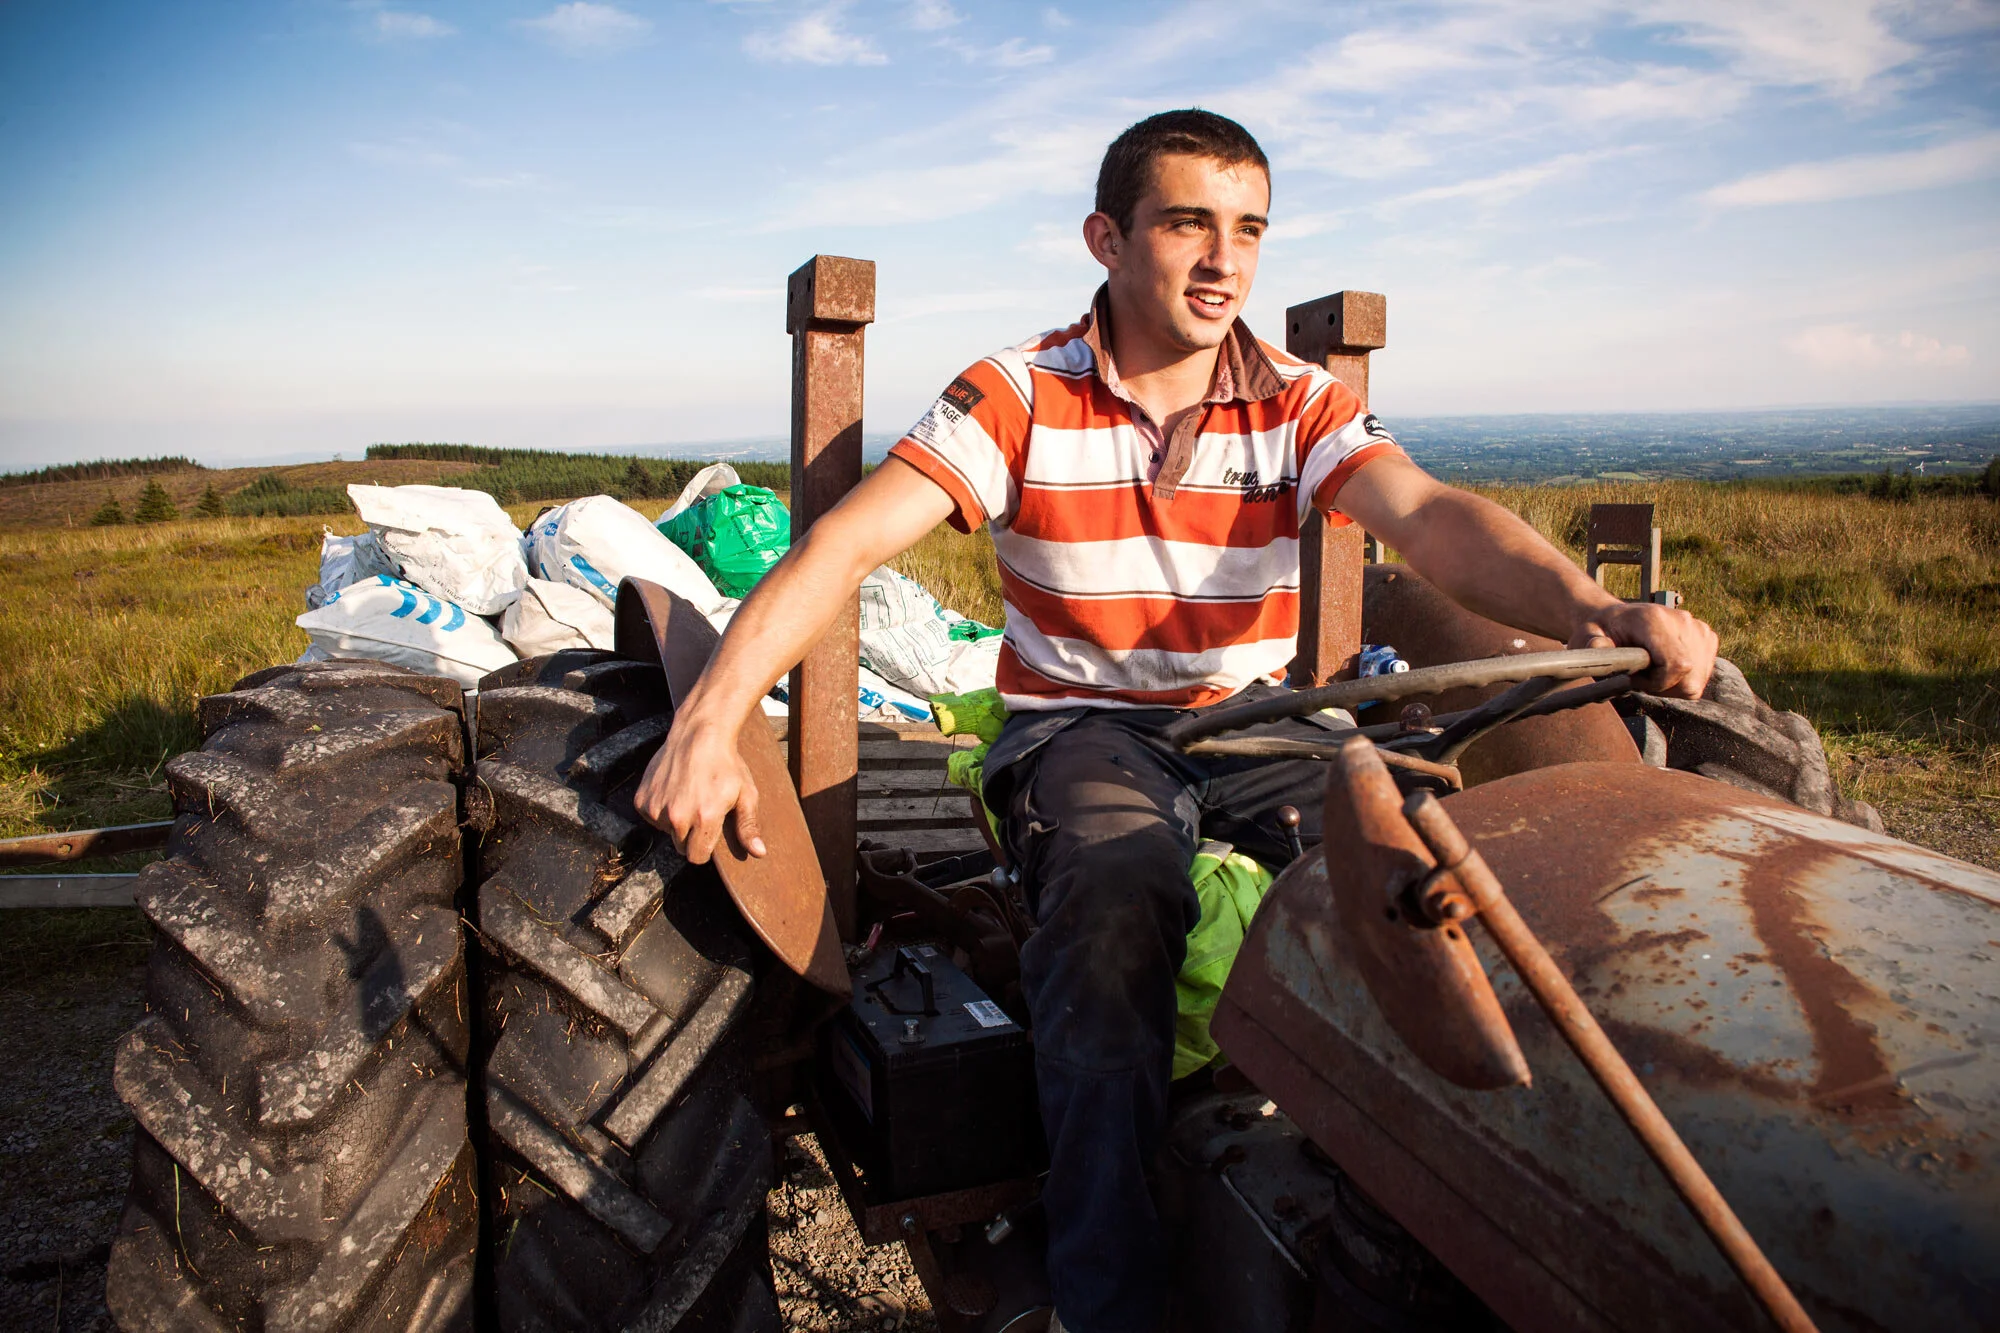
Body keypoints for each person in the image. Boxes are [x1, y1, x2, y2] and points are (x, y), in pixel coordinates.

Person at [636, 109, 1719, 1333]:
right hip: (1081, 732)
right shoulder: (1021, 395)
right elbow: (842, 542)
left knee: (1433, 877)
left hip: (1257, 722)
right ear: (1106, 237)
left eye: (1247, 228)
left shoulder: (1294, 404)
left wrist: (1590, 604)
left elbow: (1426, 515)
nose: (1224, 259)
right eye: (1187, 222)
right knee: (1114, 894)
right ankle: (1109, 1295)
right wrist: (714, 719)